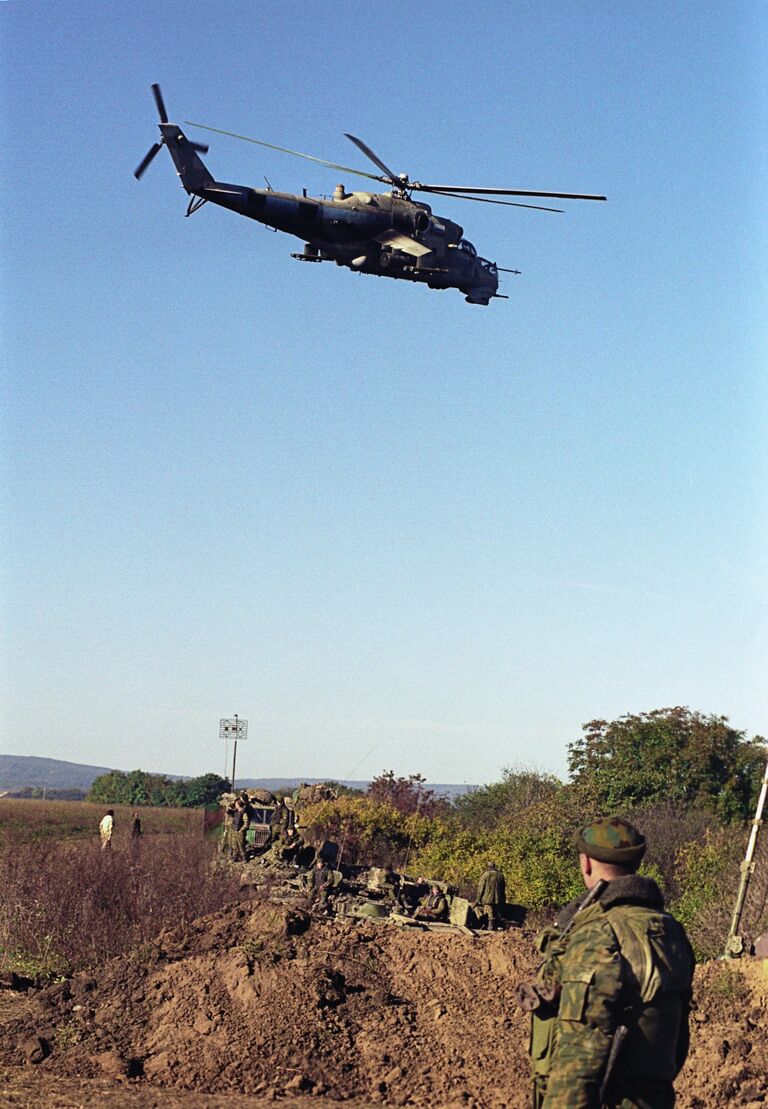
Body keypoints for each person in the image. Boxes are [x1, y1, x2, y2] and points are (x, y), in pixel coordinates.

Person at [529, 816, 694, 1109]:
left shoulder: (599, 932)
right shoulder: (670, 930)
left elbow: (580, 1053)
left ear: (586, 863)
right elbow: (678, 1038)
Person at [475, 861, 506, 930]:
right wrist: (503, 899)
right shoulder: (501, 875)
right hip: (499, 898)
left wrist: (477, 899)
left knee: (489, 912)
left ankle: (490, 927)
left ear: (488, 866)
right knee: (497, 912)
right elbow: (503, 888)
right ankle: (497, 926)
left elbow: (481, 888)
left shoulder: (486, 875)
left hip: (487, 898)